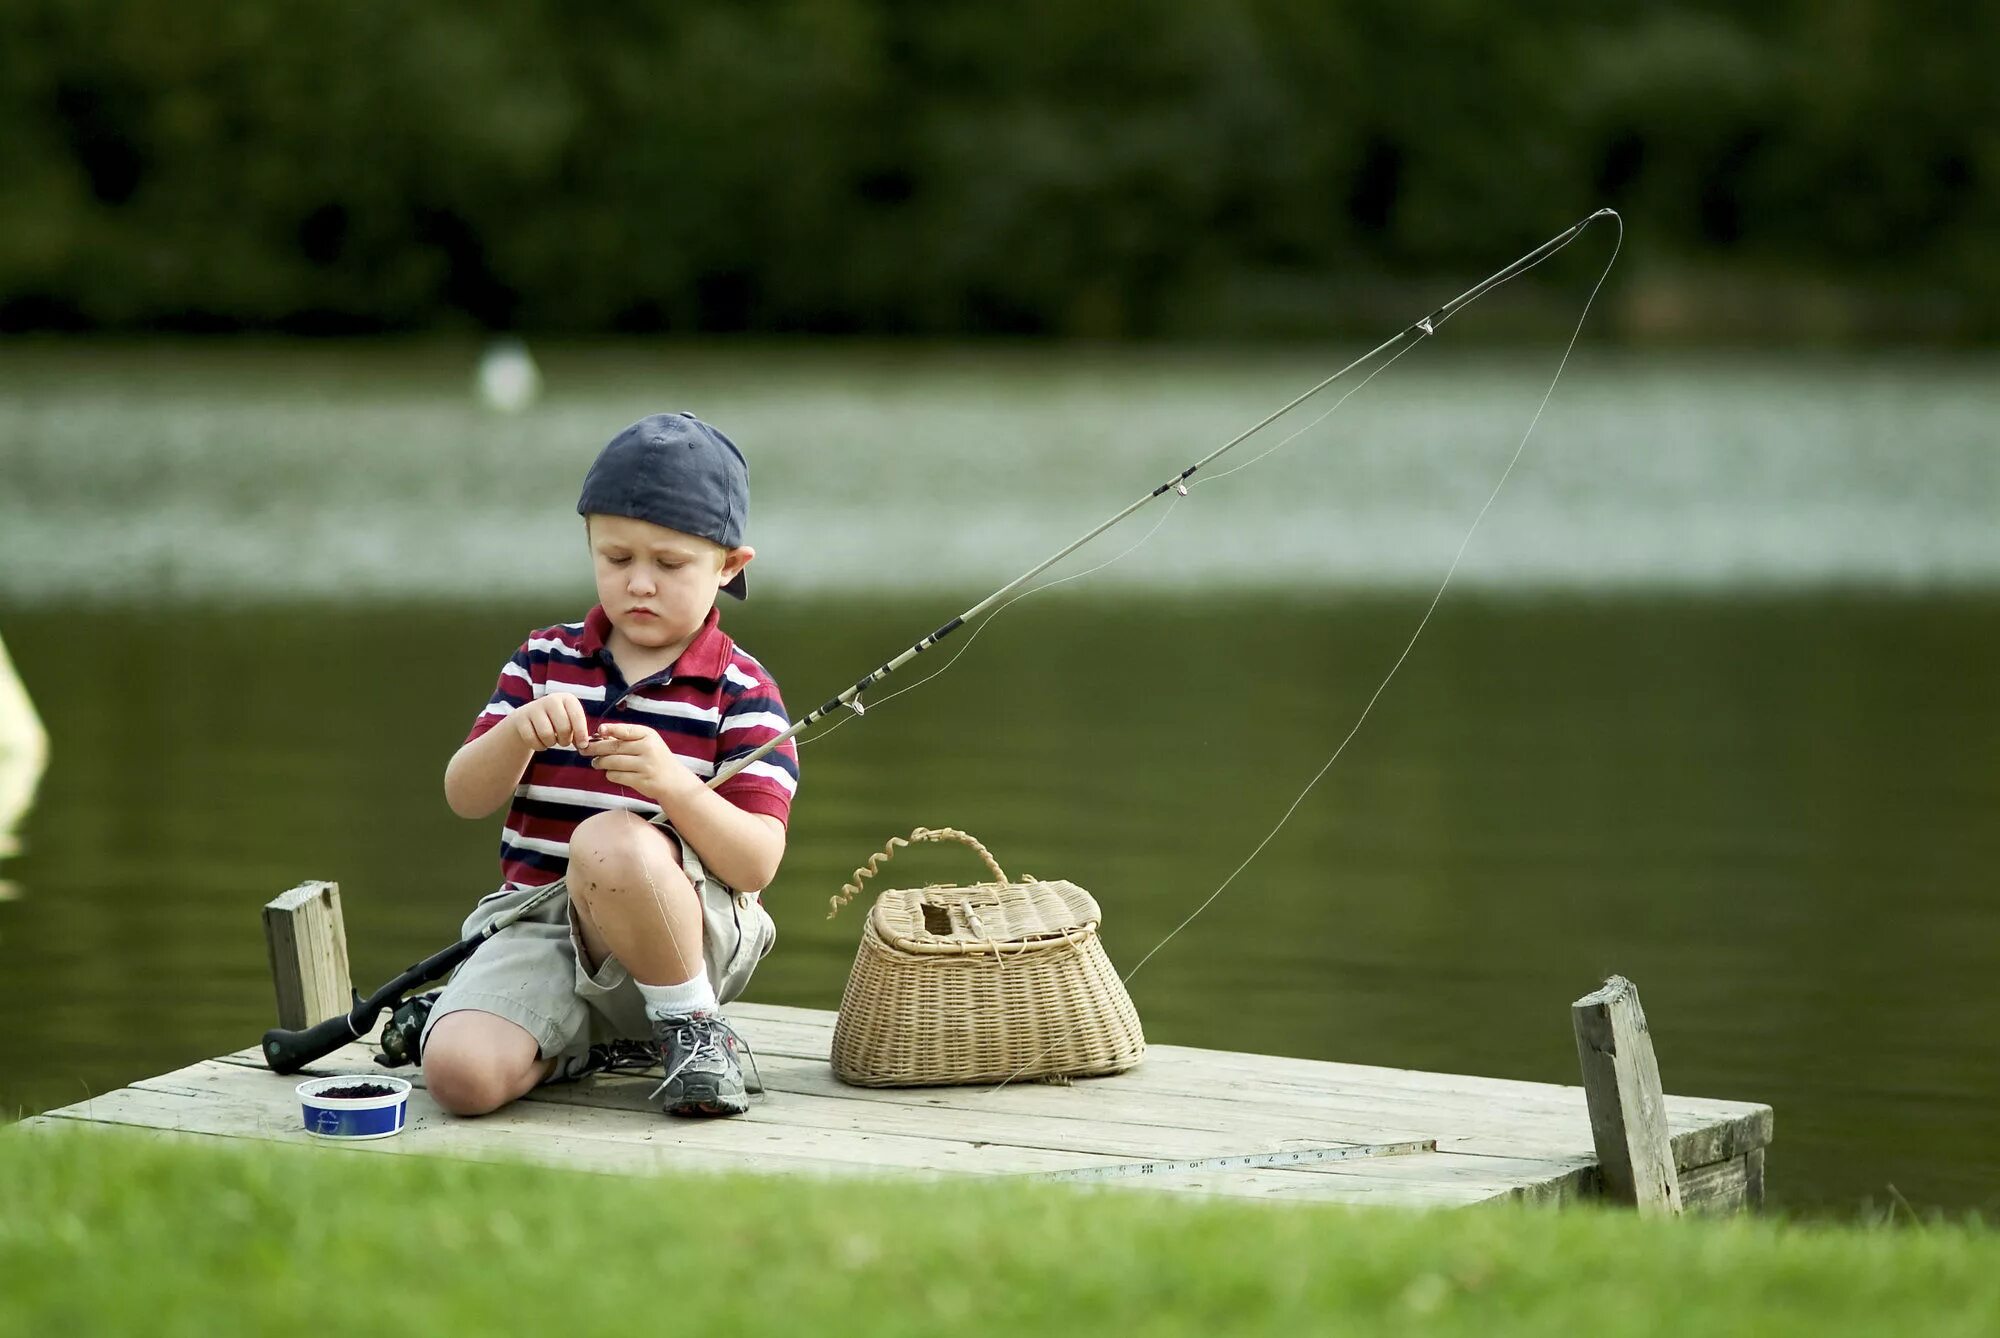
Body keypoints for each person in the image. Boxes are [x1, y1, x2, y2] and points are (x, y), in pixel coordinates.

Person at [419, 412, 799, 1118]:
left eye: (670, 564)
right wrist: (518, 735)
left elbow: (755, 865)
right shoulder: (543, 661)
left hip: (686, 937)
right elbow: (464, 796)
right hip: (541, 929)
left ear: (729, 566)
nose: (640, 584)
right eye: (617, 559)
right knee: (458, 1078)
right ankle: (588, 1044)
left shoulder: (743, 691)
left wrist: (673, 785)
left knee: (609, 839)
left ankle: (692, 1030)